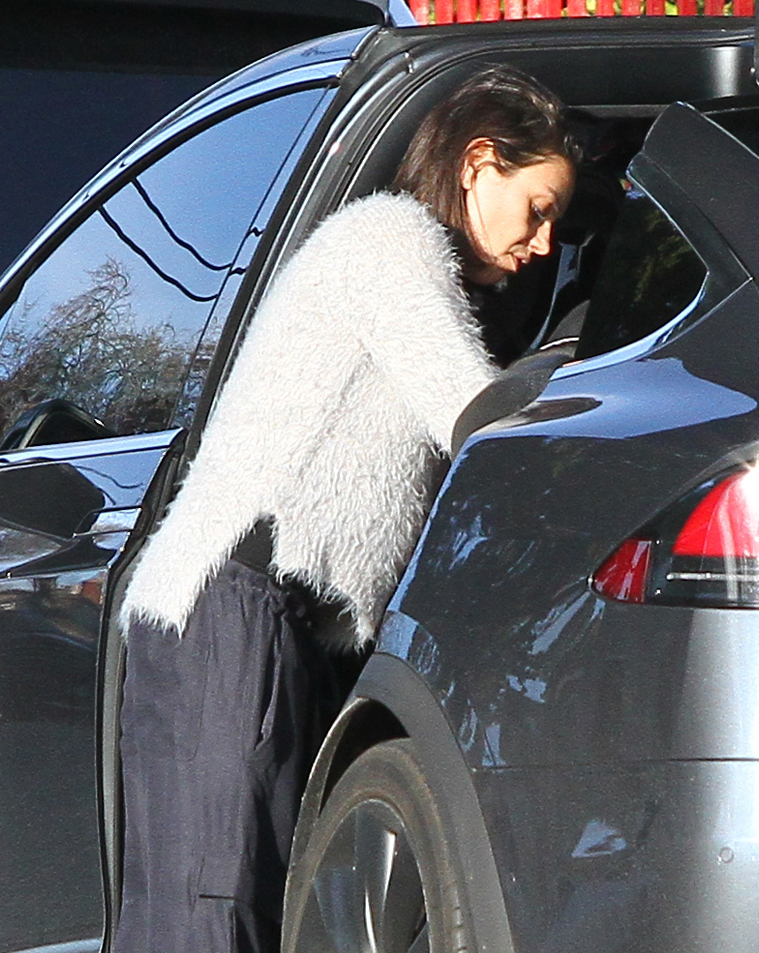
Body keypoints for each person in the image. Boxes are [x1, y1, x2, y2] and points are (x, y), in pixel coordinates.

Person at [113, 66, 579, 953]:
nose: (543, 241)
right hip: (237, 605)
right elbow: (468, 412)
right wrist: (581, 375)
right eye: (537, 208)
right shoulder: (386, 242)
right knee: (214, 908)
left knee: (223, 908)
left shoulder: (411, 261)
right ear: (478, 162)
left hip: (270, 619)